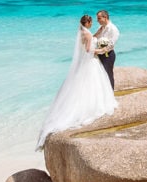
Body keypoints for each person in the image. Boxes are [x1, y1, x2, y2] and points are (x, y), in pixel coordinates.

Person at [35, 14, 117, 151]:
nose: (96, 22)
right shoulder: (89, 34)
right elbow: (88, 50)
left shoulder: (82, 32)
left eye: (99, 19)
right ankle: (92, 104)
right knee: (94, 84)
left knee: (84, 84)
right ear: (88, 22)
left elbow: (90, 43)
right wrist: (100, 50)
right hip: (92, 61)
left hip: (88, 61)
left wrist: (101, 46)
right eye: (94, 20)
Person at [93, 9, 119, 90]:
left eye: (99, 18)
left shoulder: (113, 29)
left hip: (108, 56)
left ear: (105, 17)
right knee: (101, 76)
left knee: (108, 75)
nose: (97, 21)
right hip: (99, 55)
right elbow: (95, 38)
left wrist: (98, 51)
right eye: (97, 18)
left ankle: (111, 95)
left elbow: (111, 45)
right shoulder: (101, 28)